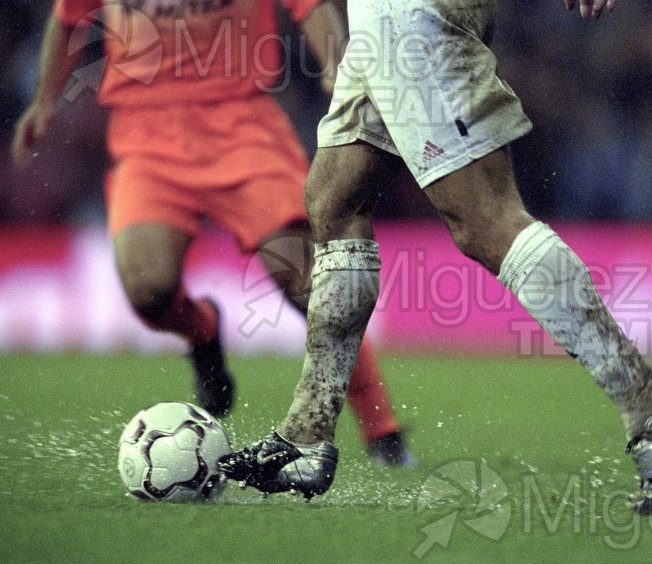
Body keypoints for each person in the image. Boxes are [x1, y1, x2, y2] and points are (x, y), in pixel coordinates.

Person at [219, 0, 652, 514]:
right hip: (379, 18)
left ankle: (647, 400)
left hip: (405, 14)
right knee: (333, 201)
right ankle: (306, 433)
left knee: (486, 219)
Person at [12, 0, 414, 467]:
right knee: (149, 291)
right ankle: (203, 332)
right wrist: (44, 102)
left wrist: (335, 67)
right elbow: (66, 20)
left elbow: (309, 6)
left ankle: (382, 428)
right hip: (147, 134)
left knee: (309, 283)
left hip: (242, 124)